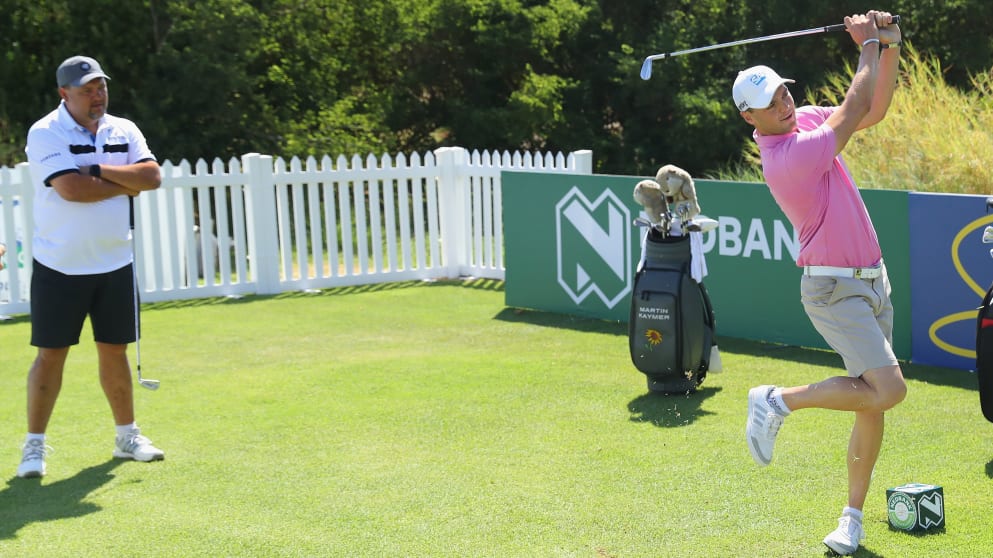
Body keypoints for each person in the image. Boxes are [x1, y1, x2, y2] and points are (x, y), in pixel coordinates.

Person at [733, 11, 905, 556]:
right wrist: (867, 44)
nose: (785, 103)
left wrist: (891, 46)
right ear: (748, 116)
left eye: (783, 92)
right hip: (833, 289)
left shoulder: (804, 120)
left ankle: (850, 520)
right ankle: (777, 401)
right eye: (771, 101)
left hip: (872, 281)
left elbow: (872, 110)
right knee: (891, 389)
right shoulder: (787, 158)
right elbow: (854, 104)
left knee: (872, 402)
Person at [18, 55, 164, 478]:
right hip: (59, 265)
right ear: (65, 94)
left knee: (114, 351)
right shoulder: (45, 131)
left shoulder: (125, 129)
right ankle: (34, 446)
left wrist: (98, 168)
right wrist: (123, 181)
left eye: (101, 87)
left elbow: (152, 178)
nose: (97, 95)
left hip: (116, 262)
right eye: (87, 90)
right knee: (51, 356)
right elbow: (70, 189)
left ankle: (127, 436)